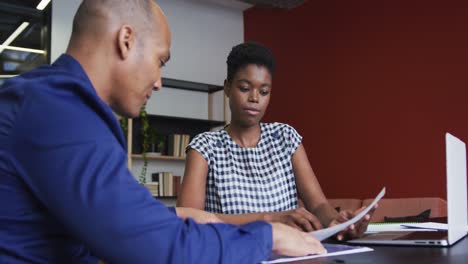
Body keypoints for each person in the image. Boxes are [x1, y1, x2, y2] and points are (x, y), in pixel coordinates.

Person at [0, 1, 326, 263]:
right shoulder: (60, 111)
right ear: (125, 40)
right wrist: (268, 235)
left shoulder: (54, 103)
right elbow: (152, 248)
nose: (158, 81)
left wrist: (176, 214)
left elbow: (114, 218)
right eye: (161, 60)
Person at [177, 42, 375, 240]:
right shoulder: (205, 147)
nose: (254, 98)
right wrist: (270, 219)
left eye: (264, 92)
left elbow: (318, 205)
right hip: (233, 255)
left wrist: (337, 222)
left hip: (290, 254)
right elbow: (189, 221)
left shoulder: (286, 138)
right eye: (245, 88)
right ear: (228, 88)